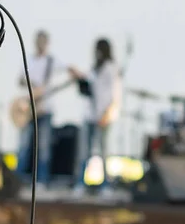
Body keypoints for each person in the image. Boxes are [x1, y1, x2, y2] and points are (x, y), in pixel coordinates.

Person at [16, 30, 71, 192]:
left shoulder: (52, 61)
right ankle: (17, 180)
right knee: (24, 146)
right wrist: (32, 86)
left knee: (44, 147)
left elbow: (67, 70)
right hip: (29, 109)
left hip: (45, 110)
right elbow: (20, 79)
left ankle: (41, 180)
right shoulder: (30, 60)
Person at [70, 38, 121, 197]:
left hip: (103, 117)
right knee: (84, 152)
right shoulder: (93, 68)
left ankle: (105, 185)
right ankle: (80, 183)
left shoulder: (111, 69)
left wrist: (108, 113)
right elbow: (88, 90)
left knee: (103, 152)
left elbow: (114, 94)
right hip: (89, 116)